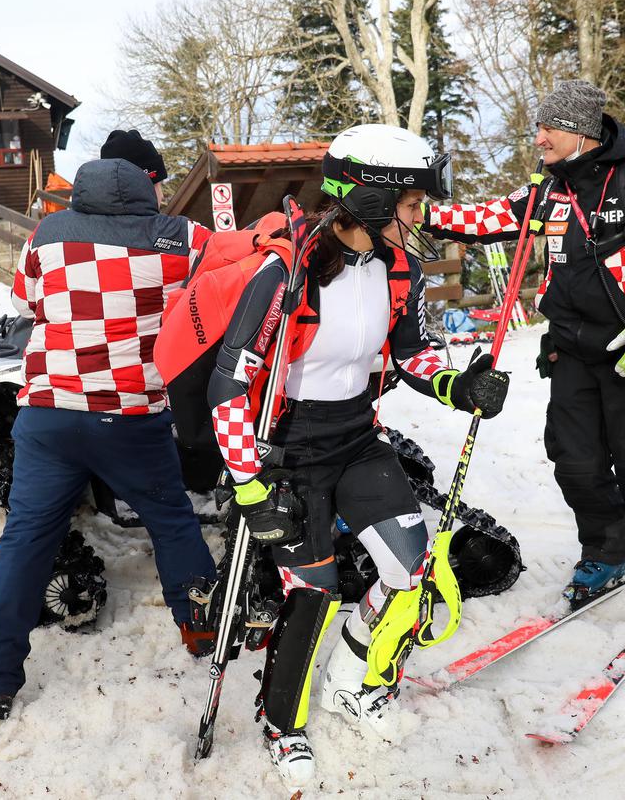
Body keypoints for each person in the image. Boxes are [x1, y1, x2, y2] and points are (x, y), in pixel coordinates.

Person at [206, 124, 510, 783]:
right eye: (410, 204)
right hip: (288, 450)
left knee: (411, 570)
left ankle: (356, 680)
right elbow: (227, 383)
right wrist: (252, 491)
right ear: (372, 200)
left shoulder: (402, 267)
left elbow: (411, 353)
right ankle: (283, 723)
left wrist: (462, 385)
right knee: (311, 595)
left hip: (356, 436)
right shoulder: (285, 272)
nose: (421, 217)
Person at [422, 80, 625, 626]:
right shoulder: (549, 190)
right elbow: (488, 221)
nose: (538, 137)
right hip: (572, 352)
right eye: (538, 126)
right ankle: (606, 554)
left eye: (548, 127)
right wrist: (419, 213)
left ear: (580, 131)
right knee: (576, 464)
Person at [0, 131, 217, 720]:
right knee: (173, 521)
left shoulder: (47, 235)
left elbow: (26, 301)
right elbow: (229, 264)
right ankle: (202, 629)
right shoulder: (178, 239)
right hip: (131, 419)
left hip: (50, 416)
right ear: (149, 189)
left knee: (25, 538)